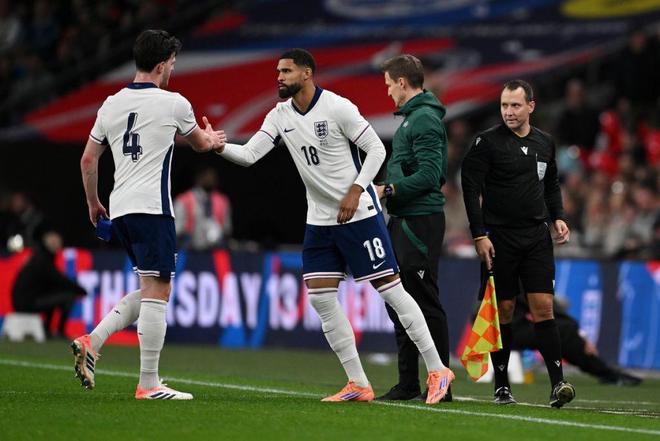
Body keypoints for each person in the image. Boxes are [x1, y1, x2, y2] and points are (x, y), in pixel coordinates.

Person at [215, 48, 454, 404]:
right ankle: (358, 382)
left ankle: (437, 370)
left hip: (359, 216)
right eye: (278, 71)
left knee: (392, 291)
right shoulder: (279, 115)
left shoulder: (337, 107)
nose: (279, 77)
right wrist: (217, 147)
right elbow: (250, 155)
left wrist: (357, 190)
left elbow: (376, 150)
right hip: (319, 221)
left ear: (307, 73)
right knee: (321, 298)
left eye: (286, 71)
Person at [72, 29, 226, 400]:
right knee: (159, 292)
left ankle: (92, 342)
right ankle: (149, 383)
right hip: (153, 210)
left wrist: (93, 203)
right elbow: (201, 144)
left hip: (121, 210)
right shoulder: (174, 104)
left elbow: (88, 160)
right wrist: (213, 138)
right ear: (160, 65)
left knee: (150, 289)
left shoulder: (111, 103)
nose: (173, 69)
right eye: (171, 63)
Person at [461, 79, 576, 408]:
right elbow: (470, 187)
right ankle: (502, 386)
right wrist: (479, 234)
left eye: (515, 105)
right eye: (504, 105)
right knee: (505, 310)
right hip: (500, 238)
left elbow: (551, 183)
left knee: (544, 307)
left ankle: (558, 384)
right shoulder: (486, 142)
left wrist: (558, 217)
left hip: (537, 237)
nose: (508, 112)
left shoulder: (545, 142)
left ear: (531, 106)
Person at [373, 54, 451, 402]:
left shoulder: (424, 120)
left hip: (420, 221)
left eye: (389, 84)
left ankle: (441, 382)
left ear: (402, 82)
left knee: (424, 300)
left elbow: (431, 175)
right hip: (404, 219)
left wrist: (389, 189)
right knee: (399, 300)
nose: (388, 91)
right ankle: (408, 382)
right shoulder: (412, 119)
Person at [510, 293, 642, 387]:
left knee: (559, 329)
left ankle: (605, 371)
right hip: (507, 331)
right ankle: (605, 372)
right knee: (563, 330)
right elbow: (545, 306)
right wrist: (579, 333)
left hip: (511, 328)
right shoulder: (520, 273)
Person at [12, 229, 86, 338]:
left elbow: (53, 281)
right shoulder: (42, 259)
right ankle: (59, 332)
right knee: (68, 296)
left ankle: (47, 330)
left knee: (53, 296)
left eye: (57, 241)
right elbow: (58, 279)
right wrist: (80, 289)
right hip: (26, 303)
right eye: (52, 241)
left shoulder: (41, 256)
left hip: (27, 300)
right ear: (45, 242)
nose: (56, 244)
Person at [174, 166, 232, 250]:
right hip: (189, 249)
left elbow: (227, 229)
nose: (210, 179)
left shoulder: (222, 200)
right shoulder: (183, 200)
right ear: (199, 177)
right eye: (206, 175)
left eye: (212, 177)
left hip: (216, 249)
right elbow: (177, 229)